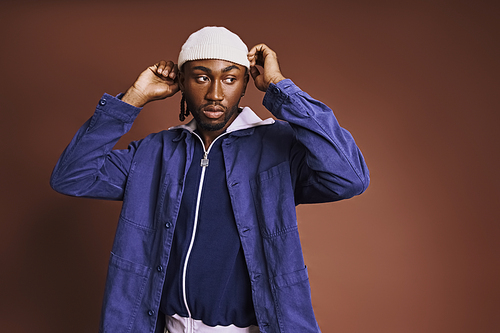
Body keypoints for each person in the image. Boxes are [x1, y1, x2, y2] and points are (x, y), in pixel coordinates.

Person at [50, 26, 369, 333]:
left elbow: (349, 177)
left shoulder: (277, 148)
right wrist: (133, 98)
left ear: (245, 84)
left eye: (230, 79)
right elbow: (72, 176)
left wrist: (280, 86)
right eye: (201, 78)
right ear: (183, 82)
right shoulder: (155, 152)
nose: (215, 94)